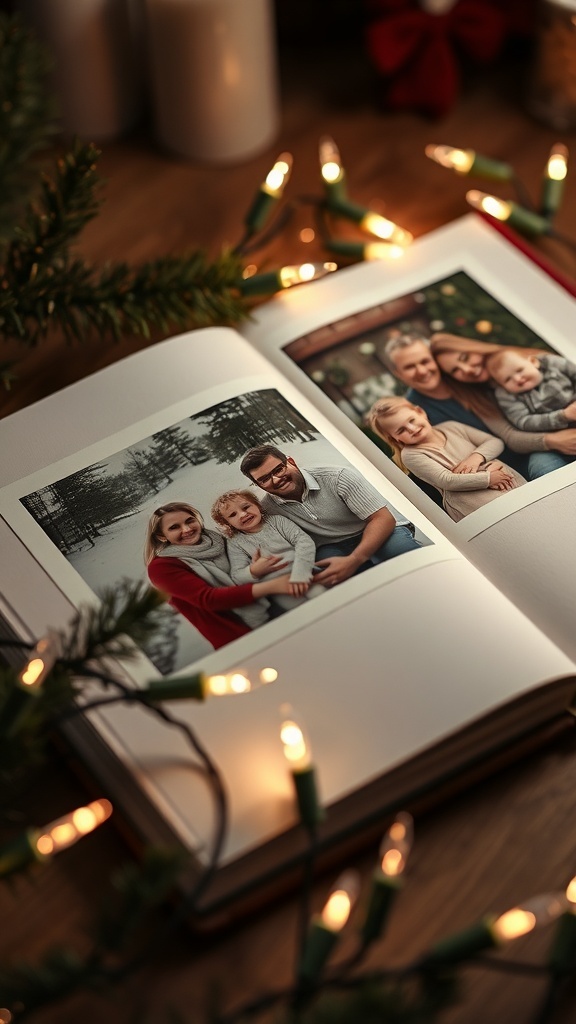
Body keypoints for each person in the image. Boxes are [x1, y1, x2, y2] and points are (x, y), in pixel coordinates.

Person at [381, 333, 576, 479]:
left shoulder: (470, 385)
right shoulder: (413, 415)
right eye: (409, 367)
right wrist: (552, 440)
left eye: (425, 361)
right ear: (398, 374)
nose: (421, 371)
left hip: (534, 449)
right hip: (493, 475)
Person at [239, 445, 421, 588]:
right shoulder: (268, 509)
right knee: (341, 581)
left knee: (407, 557)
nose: (276, 480)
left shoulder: (337, 477)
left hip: (377, 528)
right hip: (331, 545)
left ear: (291, 462)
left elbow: (382, 518)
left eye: (278, 469)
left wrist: (355, 559)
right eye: (264, 479)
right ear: (257, 484)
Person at [145, 502, 294, 650]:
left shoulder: (219, 541)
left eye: (190, 521)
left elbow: (245, 572)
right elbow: (208, 599)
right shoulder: (161, 567)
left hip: (276, 611)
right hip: (239, 636)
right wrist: (272, 586)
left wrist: (253, 569)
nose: (187, 529)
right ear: (162, 536)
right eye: (174, 527)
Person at [368, 397, 525, 522]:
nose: (412, 429)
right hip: (474, 504)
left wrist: (475, 457)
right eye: (401, 430)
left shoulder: (451, 427)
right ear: (393, 437)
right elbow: (446, 480)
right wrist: (488, 478)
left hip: (507, 483)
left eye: (412, 420)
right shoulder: (411, 455)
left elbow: (494, 442)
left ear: (420, 412)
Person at [211, 489, 325, 611]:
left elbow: (304, 542)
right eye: (233, 515)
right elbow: (237, 575)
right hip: (278, 587)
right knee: (302, 613)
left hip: (303, 572)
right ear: (227, 524)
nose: (243, 515)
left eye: (246, 507)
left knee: (324, 597)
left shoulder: (277, 521)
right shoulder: (235, 543)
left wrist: (301, 573)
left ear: (257, 505)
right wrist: (254, 571)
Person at [485, 348, 576, 433]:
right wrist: (563, 416)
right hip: (561, 430)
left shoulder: (552, 365)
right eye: (507, 379)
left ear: (533, 362)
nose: (517, 379)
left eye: (519, 370)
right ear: (502, 386)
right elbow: (523, 421)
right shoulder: (509, 396)